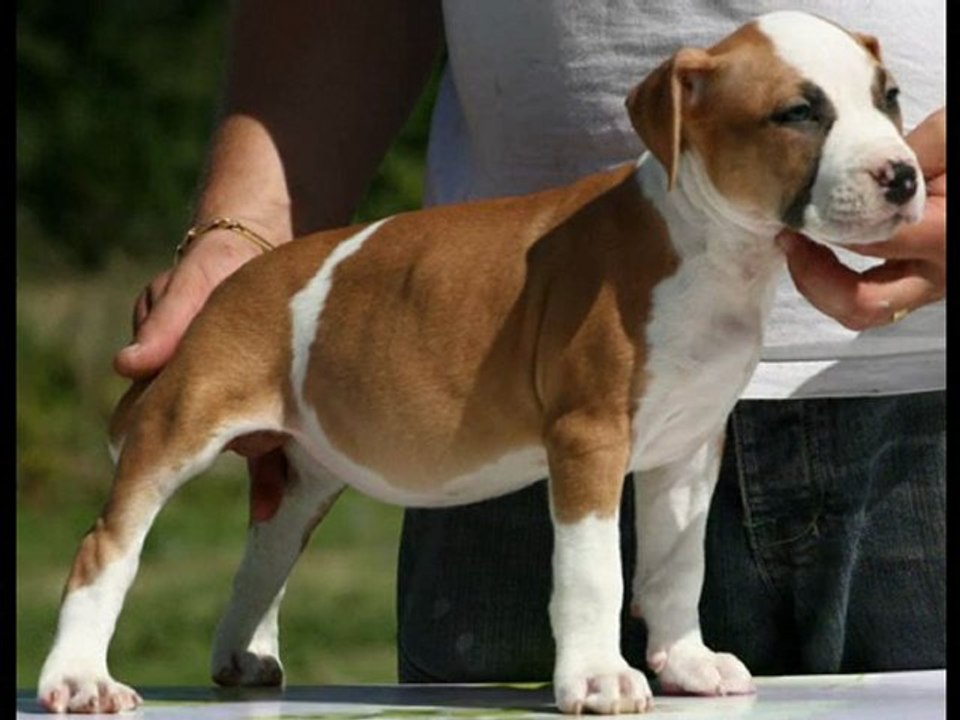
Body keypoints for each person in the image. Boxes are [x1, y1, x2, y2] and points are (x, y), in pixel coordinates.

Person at [114, 0, 945, 685]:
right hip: (488, 370)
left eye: (886, 101)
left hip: (921, 419)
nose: (883, 144)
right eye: (806, 115)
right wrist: (250, 227)